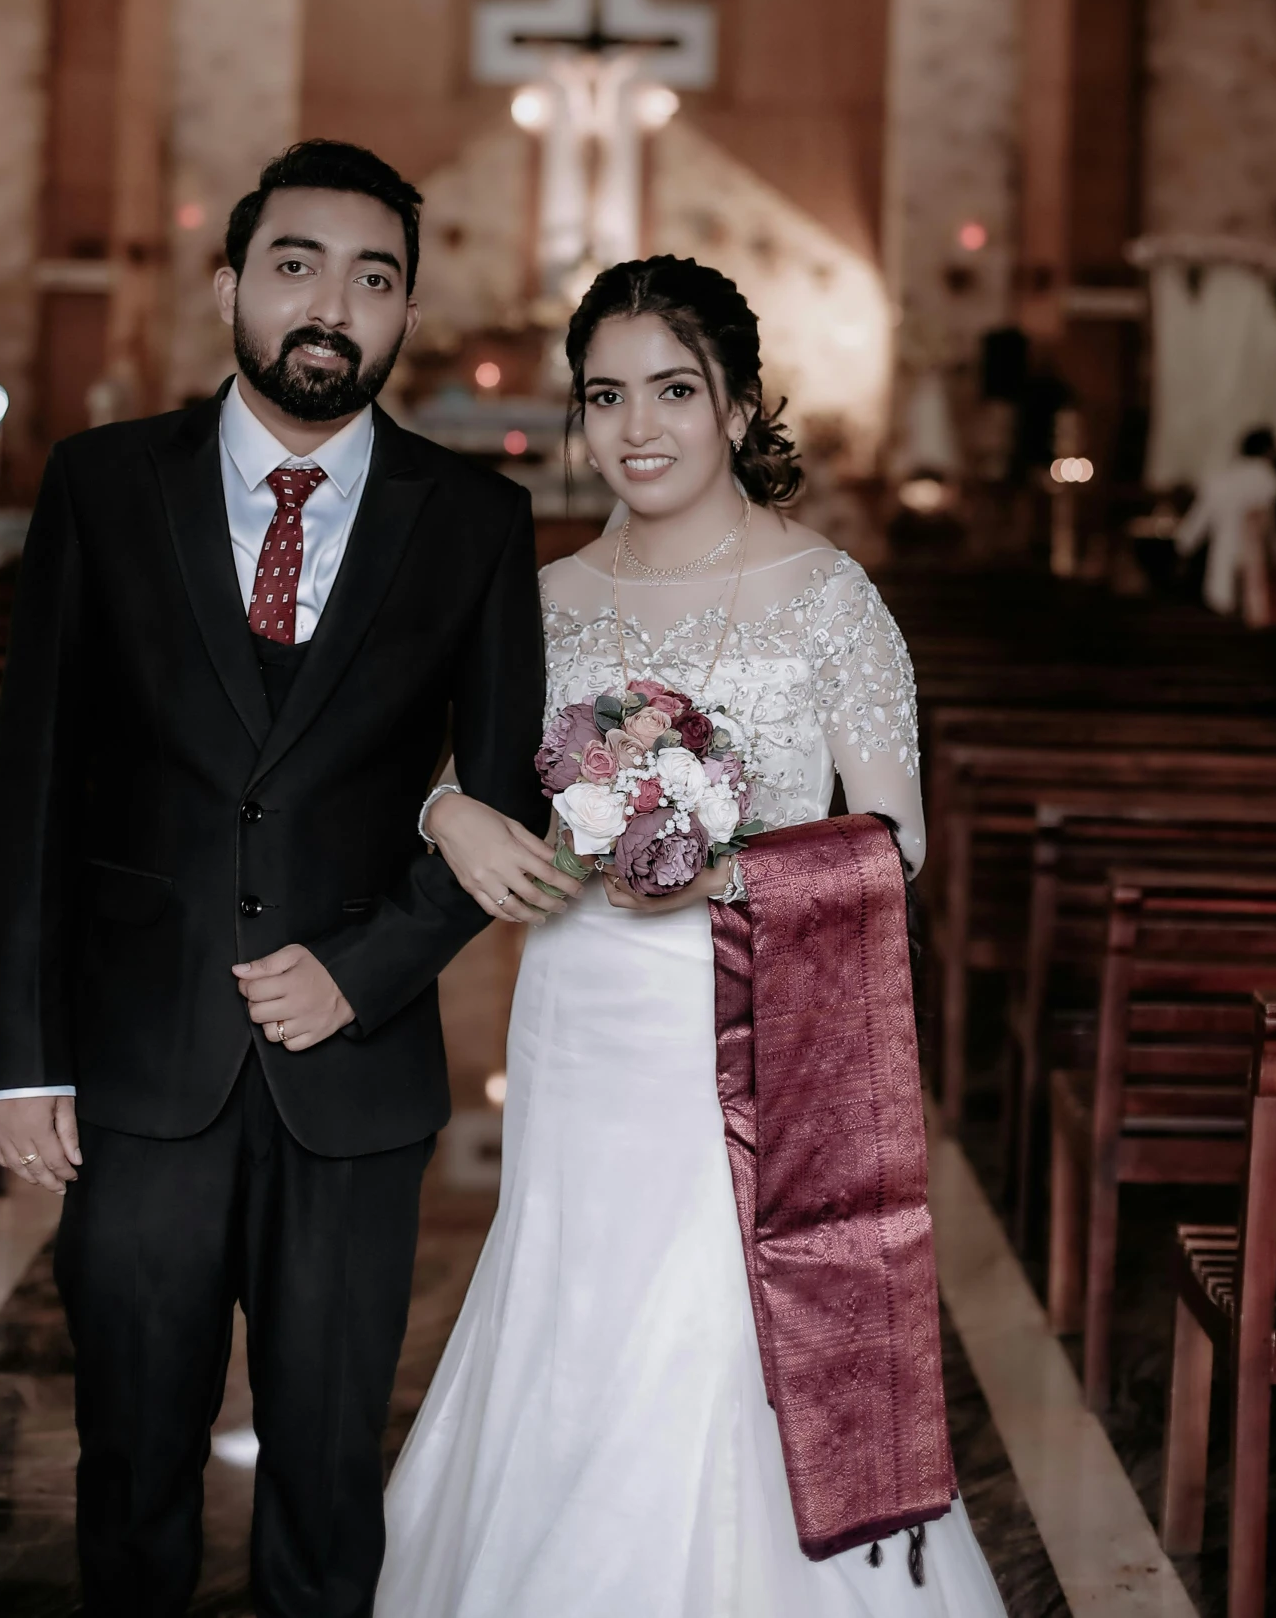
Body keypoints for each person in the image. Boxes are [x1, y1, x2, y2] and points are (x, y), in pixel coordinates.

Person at [0, 139, 561, 1618]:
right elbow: (33, 779)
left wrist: (360, 966)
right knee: (131, 1475)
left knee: (324, 1481)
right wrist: (19, 1058)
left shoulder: (473, 519)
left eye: (374, 278)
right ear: (231, 283)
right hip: (135, 1057)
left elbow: (502, 805)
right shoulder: (102, 484)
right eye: (296, 263)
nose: (332, 303)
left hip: (352, 1078)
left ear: (404, 316)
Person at [385, 255, 1006, 1618]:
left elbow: (891, 839)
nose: (636, 427)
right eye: (603, 395)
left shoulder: (827, 593)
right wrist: (445, 814)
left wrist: (719, 867)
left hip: (759, 1012)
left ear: (736, 405)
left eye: (672, 389)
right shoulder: (537, 600)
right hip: (577, 1006)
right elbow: (439, 781)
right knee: (575, 1283)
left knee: (727, 1303)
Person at [1176, 426, 1276, 623]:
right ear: (1270, 450)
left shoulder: (1220, 482)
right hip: (1264, 574)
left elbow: (1190, 533)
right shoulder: (1274, 482)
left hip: (1221, 572)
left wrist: (1182, 552)